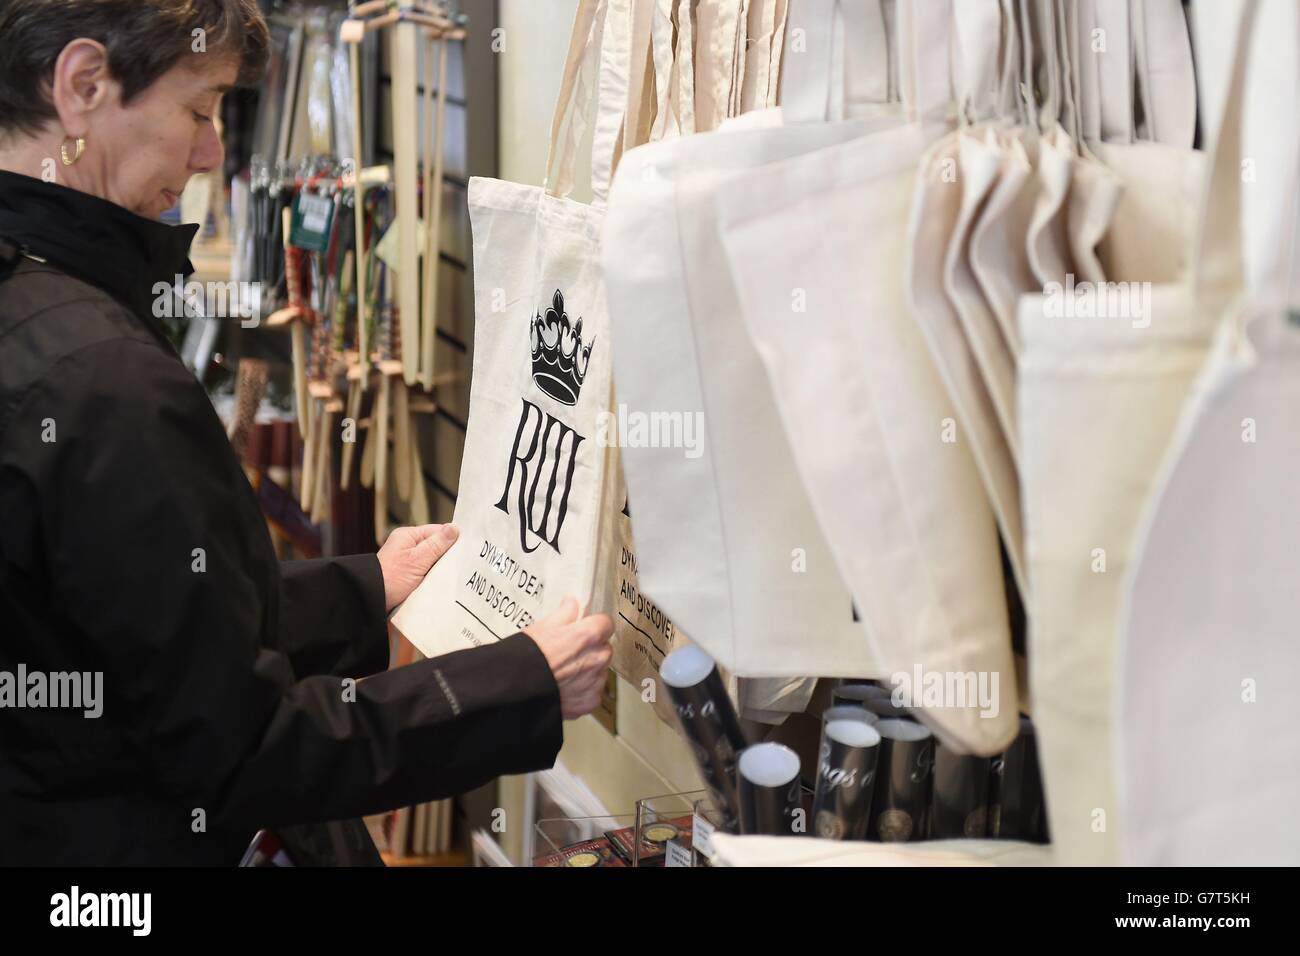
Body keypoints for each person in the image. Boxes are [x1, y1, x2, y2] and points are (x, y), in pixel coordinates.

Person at [0, 0, 614, 865]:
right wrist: (522, 685)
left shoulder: (43, 315)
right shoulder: (105, 382)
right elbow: (245, 752)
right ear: (83, 84)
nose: (212, 152)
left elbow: (143, 620)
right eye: (200, 109)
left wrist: (369, 587)